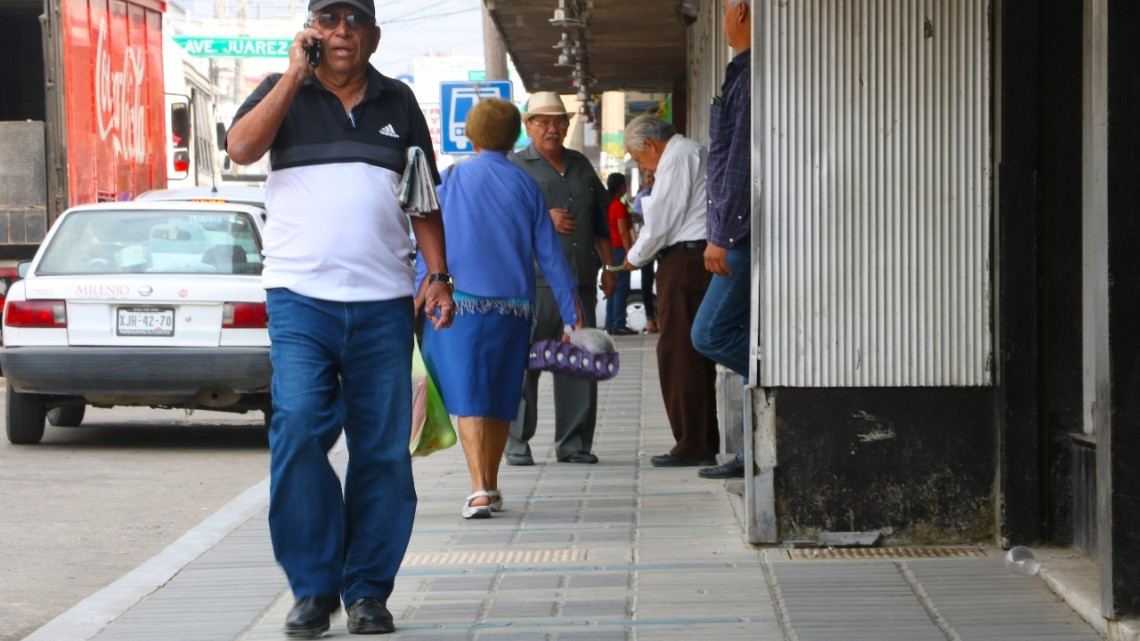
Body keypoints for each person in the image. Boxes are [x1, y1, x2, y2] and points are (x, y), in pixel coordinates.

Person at [225, 0, 456, 636]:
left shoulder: (399, 103)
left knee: (382, 451)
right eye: (328, 20)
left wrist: (437, 278)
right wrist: (293, 76)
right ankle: (312, 585)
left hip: (384, 305)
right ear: (310, 31)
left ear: (374, 35)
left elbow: (424, 200)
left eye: (352, 20)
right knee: (298, 427)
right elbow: (242, 147)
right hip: (300, 300)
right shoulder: (280, 92)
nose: (341, 32)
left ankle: (367, 593)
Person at [417, 99, 585, 520]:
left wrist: (417, 293)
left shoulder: (451, 178)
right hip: (513, 309)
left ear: (470, 134)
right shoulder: (526, 184)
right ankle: (489, 485)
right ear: (516, 135)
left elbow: (428, 243)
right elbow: (549, 254)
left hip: (459, 305)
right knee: (497, 396)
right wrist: (571, 309)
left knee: (471, 396)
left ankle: (477, 490)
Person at [505, 91, 617, 467]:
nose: (552, 129)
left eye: (558, 122)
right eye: (543, 122)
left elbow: (600, 219)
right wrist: (539, 217)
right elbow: (496, 224)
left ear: (568, 126)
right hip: (530, 285)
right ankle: (517, 444)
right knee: (524, 366)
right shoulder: (514, 167)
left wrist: (609, 268)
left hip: (580, 282)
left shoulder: (581, 165)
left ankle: (573, 445)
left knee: (579, 361)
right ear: (528, 126)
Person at [622, 115, 720, 467]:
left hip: (684, 261)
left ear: (649, 145)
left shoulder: (677, 158)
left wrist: (634, 257)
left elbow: (663, 217)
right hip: (692, 258)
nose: (642, 167)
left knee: (678, 352)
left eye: (638, 159)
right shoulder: (692, 152)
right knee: (690, 351)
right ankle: (701, 438)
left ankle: (692, 441)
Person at [694, 0, 754, 480]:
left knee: (709, 332)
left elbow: (737, 163)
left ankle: (780, 381)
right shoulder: (741, 73)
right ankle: (751, 448)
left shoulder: (752, 76)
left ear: (741, 12)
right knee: (731, 335)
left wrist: (721, 235)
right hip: (738, 231)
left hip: (740, 234)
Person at [604, 172, 636, 335]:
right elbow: (623, 232)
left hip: (609, 250)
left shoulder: (607, 204)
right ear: (622, 186)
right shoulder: (619, 206)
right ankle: (618, 323)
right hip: (619, 250)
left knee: (611, 286)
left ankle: (610, 323)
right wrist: (629, 253)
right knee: (621, 287)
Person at [630, 170, 659, 334]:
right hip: (647, 242)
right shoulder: (642, 195)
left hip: (664, 243)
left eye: (653, 175)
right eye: (649, 176)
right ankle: (650, 318)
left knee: (663, 280)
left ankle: (661, 317)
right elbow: (635, 217)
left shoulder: (664, 190)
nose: (651, 179)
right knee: (646, 282)